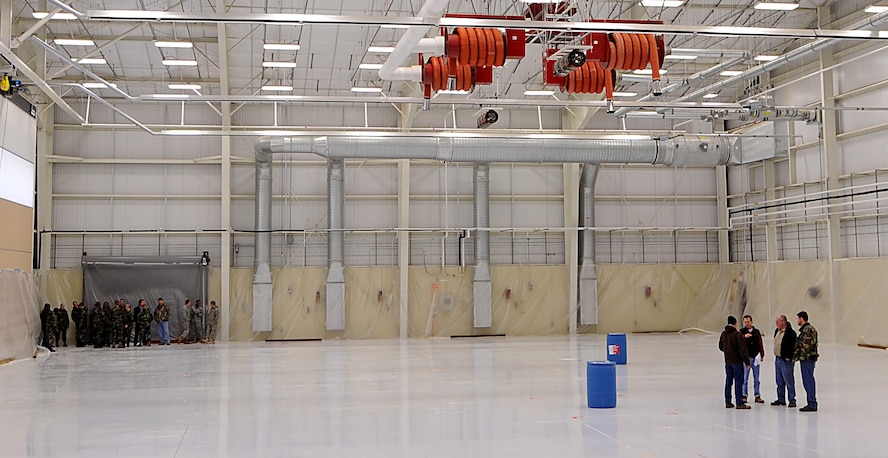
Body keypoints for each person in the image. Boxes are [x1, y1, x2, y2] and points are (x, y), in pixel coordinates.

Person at [719, 315, 750, 409]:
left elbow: (720, 346)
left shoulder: (724, 334)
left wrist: (727, 352)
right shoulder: (737, 335)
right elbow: (742, 350)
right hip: (737, 362)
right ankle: (739, 402)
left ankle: (728, 401)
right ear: (735, 324)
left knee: (728, 381)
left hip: (728, 361)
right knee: (738, 382)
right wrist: (747, 362)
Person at [794, 311, 819, 412]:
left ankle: (812, 403)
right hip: (807, 359)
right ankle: (811, 402)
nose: (797, 321)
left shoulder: (807, 330)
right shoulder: (808, 329)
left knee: (808, 381)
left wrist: (798, 356)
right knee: (808, 380)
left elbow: (806, 346)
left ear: (801, 318)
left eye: (798, 319)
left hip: (807, 359)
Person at [771, 314, 797, 408]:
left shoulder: (791, 333)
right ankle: (781, 398)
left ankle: (792, 399)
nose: (776, 323)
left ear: (783, 322)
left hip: (786, 360)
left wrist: (789, 356)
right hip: (778, 358)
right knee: (779, 380)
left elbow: (793, 346)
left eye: (778, 321)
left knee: (789, 380)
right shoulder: (777, 331)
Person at [740, 315, 765, 404]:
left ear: (751, 322)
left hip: (756, 357)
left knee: (756, 378)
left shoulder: (756, 332)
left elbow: (760, 343)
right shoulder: (741, 332)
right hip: (746, 358)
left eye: (748, 322)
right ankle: (744, 395)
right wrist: (744, 337)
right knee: (745, 378)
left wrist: (762, 354)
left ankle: (757, 395)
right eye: (745, 322)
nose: (747, 324)